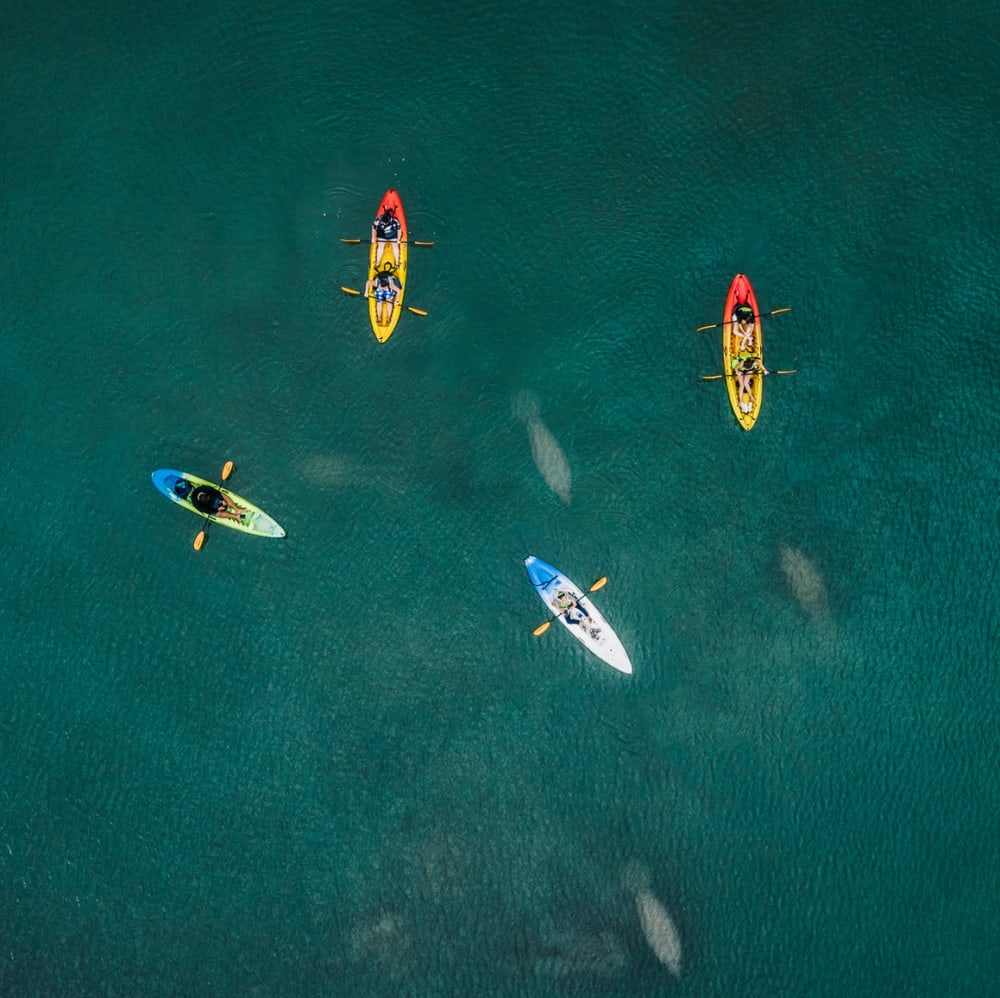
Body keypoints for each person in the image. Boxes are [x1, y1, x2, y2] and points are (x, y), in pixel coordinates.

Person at [172, 478, 245, 522]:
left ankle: (237, 509)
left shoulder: (203, 489)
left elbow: (216, 492)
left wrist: (222, 500)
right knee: (218, 514)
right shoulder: (197, 505)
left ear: (204, 493)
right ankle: (236, 516)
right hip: (211, 507)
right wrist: (217, 509)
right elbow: (208, 511)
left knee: (223, 495)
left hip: (215, 497)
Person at [371, 204, 402, 269]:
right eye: (383, 223)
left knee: (395, 246)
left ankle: (397, 263)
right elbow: (374, 229)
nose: (383, 224)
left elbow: (399, 230)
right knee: (380, 246)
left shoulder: (395, 221)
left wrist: (398, 239)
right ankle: (377, 263)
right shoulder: (378, 221)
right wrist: (373, 238)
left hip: (392, 234)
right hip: (382, 234)